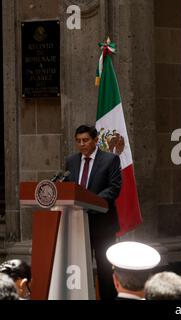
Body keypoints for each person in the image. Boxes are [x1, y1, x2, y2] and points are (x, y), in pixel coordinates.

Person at [65, 124, 122, 300]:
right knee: (80, 268)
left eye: (85, 140)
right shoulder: (71, 161)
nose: (82, 144)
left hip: (102, 225)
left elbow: (114, 188)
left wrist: (90, 202)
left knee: (105, 270)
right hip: (78, 224)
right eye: (78, 141)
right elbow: (68, 188)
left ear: (96, 140)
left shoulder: (110, 160)